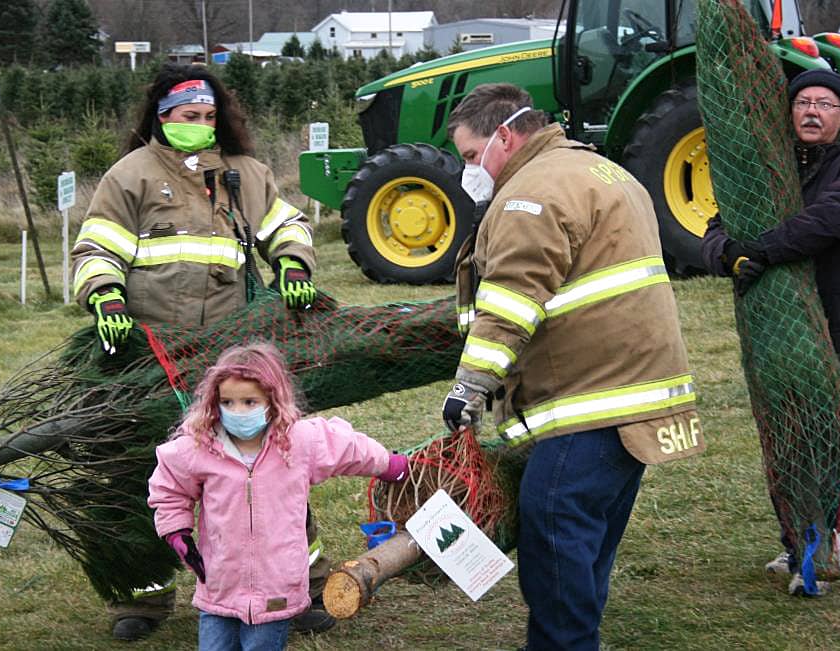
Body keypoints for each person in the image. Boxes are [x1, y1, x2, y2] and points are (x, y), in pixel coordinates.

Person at [440, 83, 704, 650]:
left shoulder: (530, 194)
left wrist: (471, 385)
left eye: (469, 156)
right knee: (587, 541)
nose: (469, 171)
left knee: (556, 531)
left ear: (504, 136)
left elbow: (512, 297)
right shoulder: (600, 171)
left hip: (591, 399)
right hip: (636, 392)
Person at [69, 63, 325, 640]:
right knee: (142, 468)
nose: (202, 127)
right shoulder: (129, 176)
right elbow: (97, 247)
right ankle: (144, 595)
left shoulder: (243, 173)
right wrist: (106, 297)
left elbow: (289, 225)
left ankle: (296, 586)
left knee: (269, 467)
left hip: (230, 354)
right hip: (150, 351)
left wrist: (291, 261)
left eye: (209, 117)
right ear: (162, 118)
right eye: (189, 117)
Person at [147, 343, 409, 651]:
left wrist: (390, 465)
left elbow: (348, 448)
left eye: (249, 401)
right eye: (227, 402)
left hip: (277, 586)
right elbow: (169, 487)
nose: (237, 412)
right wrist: (176, 533)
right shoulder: (199, 446)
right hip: (219, 579)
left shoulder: (300, 442)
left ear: (273, 399)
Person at [700, 68, 840, 593]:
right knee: (793, 438)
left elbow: (830, 219)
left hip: (839, 323)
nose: (812, 111)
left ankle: (833, 544)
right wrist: (726, 254)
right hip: (780, 336)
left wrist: (758, 250)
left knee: (834, 436)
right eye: (803, 102)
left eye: (825, 104)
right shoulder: (771, 168)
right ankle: (803, 547)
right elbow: (718, 227)